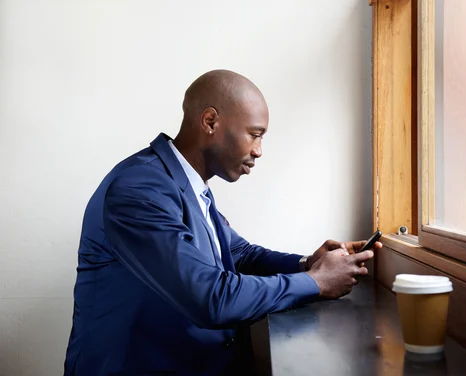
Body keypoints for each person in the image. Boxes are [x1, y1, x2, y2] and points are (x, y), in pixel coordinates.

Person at [63, 69, 380, 376]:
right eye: (254, 135)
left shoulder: (189, 186)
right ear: (210, 121)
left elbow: (240, 255)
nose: (258, 151)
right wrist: (316, 282)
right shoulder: (139, 190)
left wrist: (308, 264)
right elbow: (209, 297)